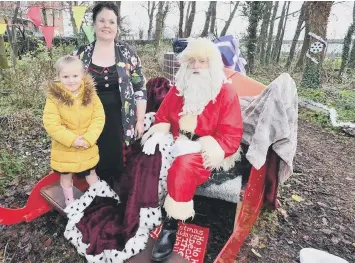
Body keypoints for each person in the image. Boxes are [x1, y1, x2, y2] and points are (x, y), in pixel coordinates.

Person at [141, 37, 244, 261]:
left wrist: (196, 146)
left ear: (213, 64)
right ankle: (143, 209)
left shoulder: (225, 92)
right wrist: (158, 133)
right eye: (192, 62)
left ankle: (170, 224)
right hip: (177, 139)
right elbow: (163, 115)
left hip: (208, 147)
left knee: (183, 166)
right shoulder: (180, 87)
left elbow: (231, 136)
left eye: (202, 61)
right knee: (147, 156)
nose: (196, 67)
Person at [73, 1, 147, 188]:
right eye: (102, 21)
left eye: (112, 22)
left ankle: (115, 193)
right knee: (92, 162)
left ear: (117, 27)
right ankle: (94, 191)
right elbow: (68, 86)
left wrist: (139, 121)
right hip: (88, 120)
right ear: (94, 24)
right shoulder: (81, 54)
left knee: (116, 165)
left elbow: (140, 89)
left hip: (120, 120)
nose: (107, 25)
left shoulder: (127, 53)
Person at [42, 55, 105, 205]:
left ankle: (100, 199)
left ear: (82, 75)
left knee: (91, 173)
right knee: (66, 176)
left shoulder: (91, 95)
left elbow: (99, 118)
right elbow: (51, 123)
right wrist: (71, 140)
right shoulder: (54, 98)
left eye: (75, 76)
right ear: (58, 77)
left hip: (86, 145)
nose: (71, 80)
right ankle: (69, 201)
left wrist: (89, 138)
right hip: (65, 148)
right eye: (65, 76)